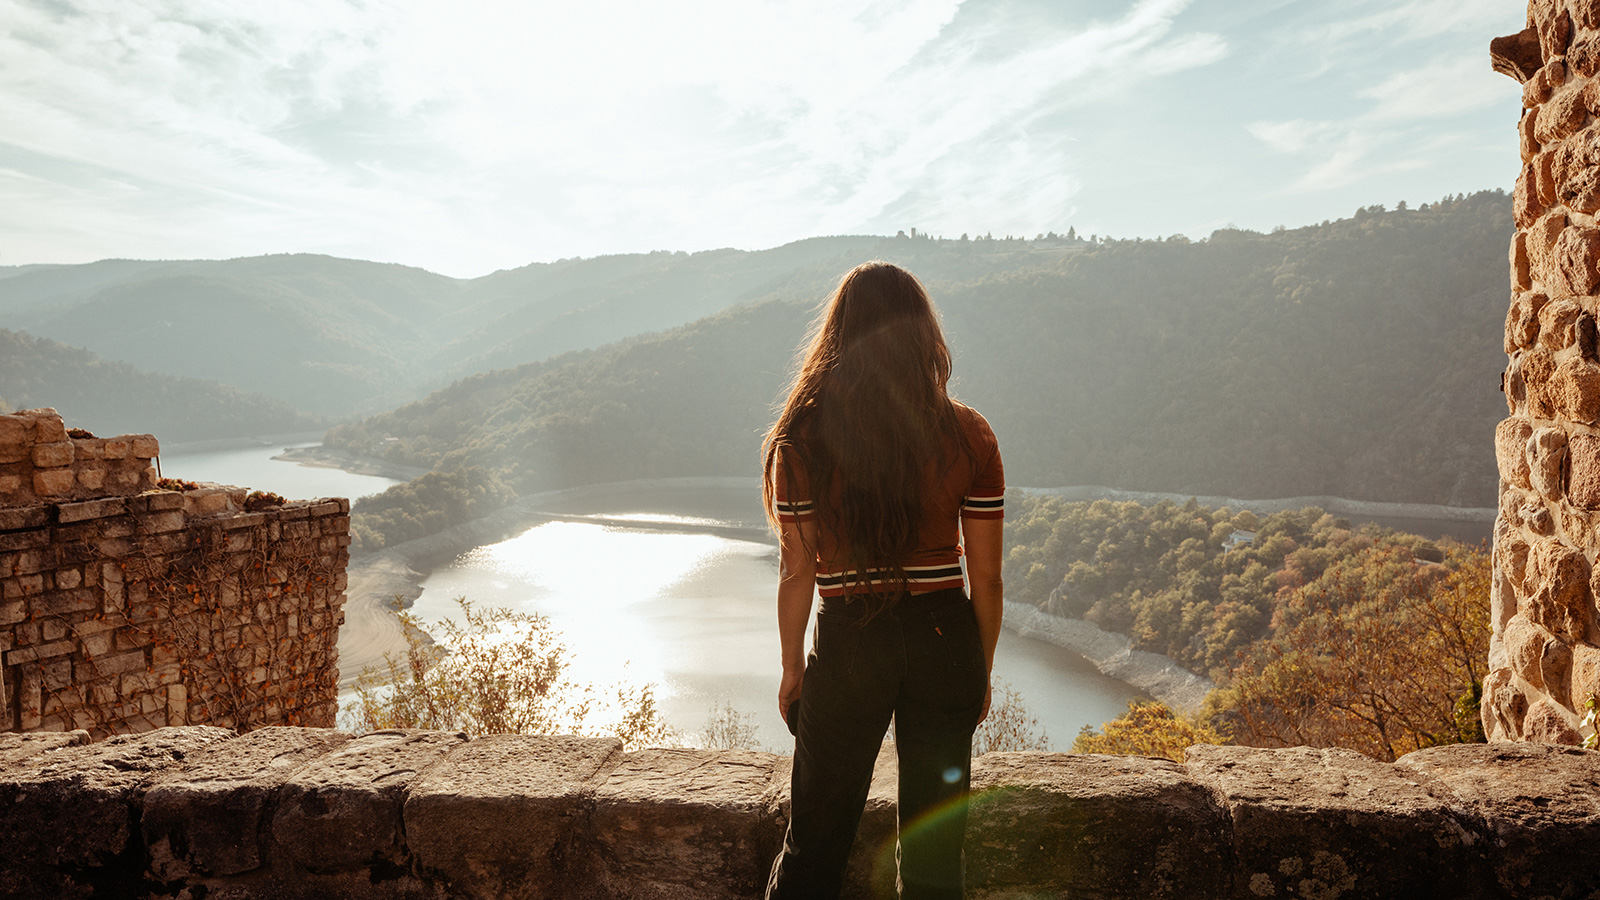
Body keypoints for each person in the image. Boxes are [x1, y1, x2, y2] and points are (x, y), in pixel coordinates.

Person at [761, 261, 1004, 900]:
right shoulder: (970, 436)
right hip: (944, 638)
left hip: (849, 646)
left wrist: (792, 670)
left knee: (812, 847)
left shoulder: (801, 440)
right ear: (925, 336)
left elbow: (797, 573)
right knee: (932, 864)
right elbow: (988, 580)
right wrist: (978, 666)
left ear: (839, 335)